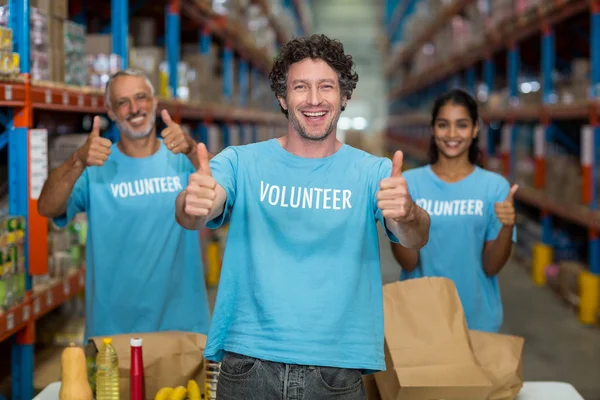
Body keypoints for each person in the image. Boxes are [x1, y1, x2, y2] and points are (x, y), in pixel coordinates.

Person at [176, 34, 430, 399]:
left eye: (326, 86)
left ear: (344, 96)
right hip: (249, 363)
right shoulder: (239, 161)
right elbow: (199, 210)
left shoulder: (374, 172)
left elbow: (415, 237)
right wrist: (194, 202)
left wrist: (406, 214)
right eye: (300, 87)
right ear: (283, 97)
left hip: (336, 369)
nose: (313, 100)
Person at [37, 69, 212, 340]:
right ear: (110, 111)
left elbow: (228, 189)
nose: (134, 108)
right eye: (122, 102)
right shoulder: (95, 165)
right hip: (113, 336)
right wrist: (77, 161)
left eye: (141, 97)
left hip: (183, 332)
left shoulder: (180, 159)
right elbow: (47, 207)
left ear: (154, 102)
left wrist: (191, 149)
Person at [390, 88, 518, 333]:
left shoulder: (494, 187)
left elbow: (491, 267)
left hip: (476, 320)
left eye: (461, 125)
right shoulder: (410, 184)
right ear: (432, 129)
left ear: (475, 129)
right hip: (420, 319)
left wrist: (508, 226)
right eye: (443, 124)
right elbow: (409, 264)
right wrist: (398, 221)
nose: (451, 134)